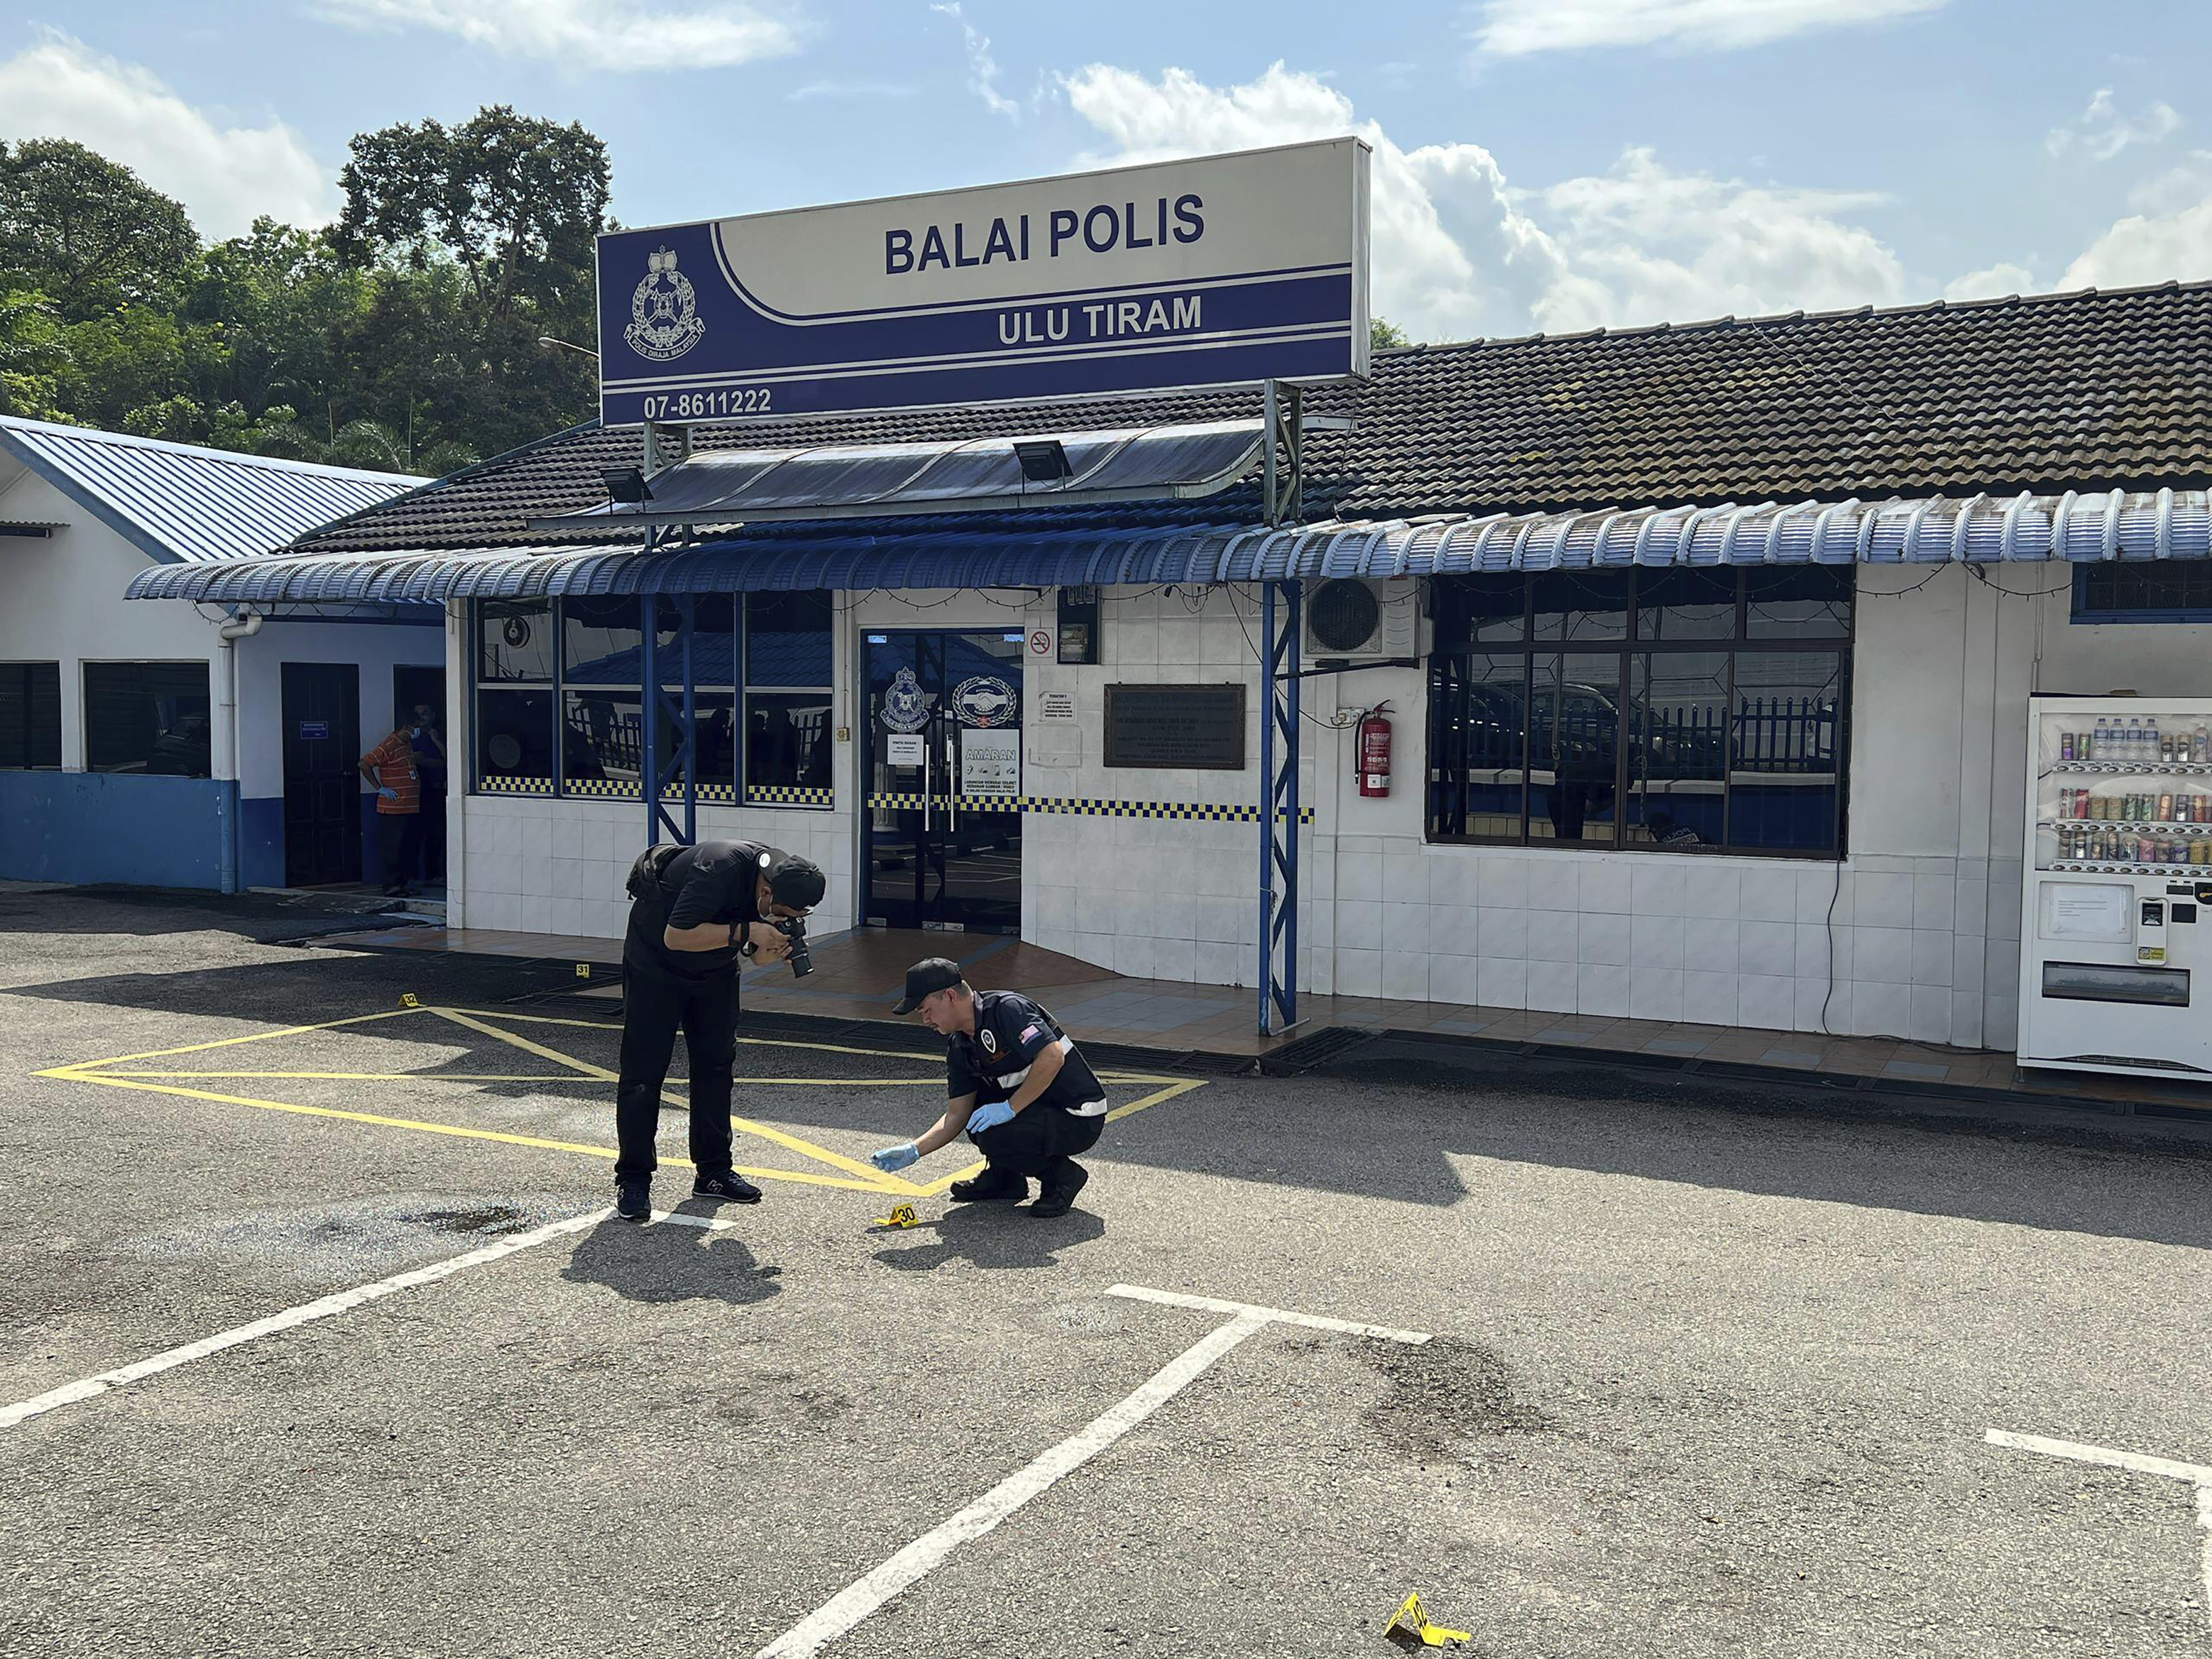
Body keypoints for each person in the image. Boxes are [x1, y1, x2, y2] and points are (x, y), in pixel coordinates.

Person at [615, 839, 826, 1222]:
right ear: (766, 891)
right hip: (655, 966)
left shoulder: (782, 883)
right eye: (782, 912)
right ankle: (634, 1179)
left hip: (714, 973)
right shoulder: (719, 869)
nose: (783, 917)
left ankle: (713, 1171)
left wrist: (772, 944)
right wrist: (748, 930)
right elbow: (676, 936)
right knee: (643, 1075)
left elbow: (755, 954)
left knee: (716, 1068)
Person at [870, 959, 1107, 1219]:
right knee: (977, 1117)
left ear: (950, 996)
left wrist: (1009, 1108)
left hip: (1076, 1116)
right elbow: (957, 1114)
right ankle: (1005, 1179)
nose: (925, 1019)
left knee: (996, 1132)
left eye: (926, 1010)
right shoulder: (961, 1047)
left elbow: (1052, 1057)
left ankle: (1062, 1176)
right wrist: (914, 1150)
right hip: (1039, 1111)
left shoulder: (1008, 1010)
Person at [358, 723, 423, 898]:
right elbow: (364, 764)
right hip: (394, 808)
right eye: (415, 728)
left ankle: (404, 883)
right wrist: (380, 788)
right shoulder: (389, 746)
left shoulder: (407, 745)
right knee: (394, 848)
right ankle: (392, 886)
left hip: (411, 807)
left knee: (408, 848)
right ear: (406, 728)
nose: (418, 732)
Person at [407, 701, 448, 885]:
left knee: (437, 834)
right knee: (416, 834)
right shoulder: (412, 737)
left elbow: (454, 759)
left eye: (425, 713)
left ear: (433, 715)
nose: (421, 718)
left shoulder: (440, 734)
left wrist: (437, 742)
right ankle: (413, 876)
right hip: (419, 792)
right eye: (418, 714)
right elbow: (420, 761)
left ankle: (434, 874)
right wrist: (441, 763)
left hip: (439, 791)